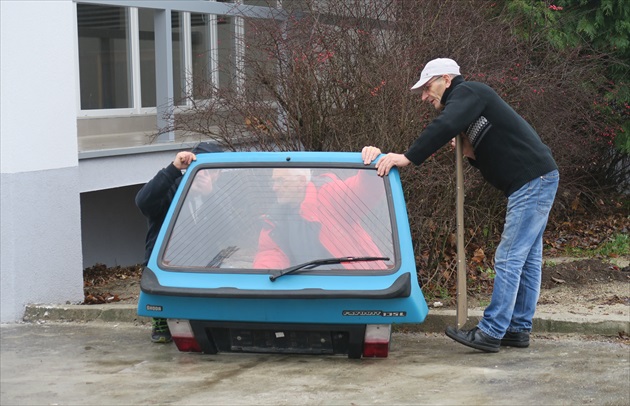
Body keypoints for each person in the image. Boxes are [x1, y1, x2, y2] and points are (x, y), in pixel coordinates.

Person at [362, 58, 559, 353]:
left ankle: (491, 332)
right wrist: (470, 152)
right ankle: (518, 329)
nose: (425, 97)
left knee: (508, 257)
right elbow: (494, 154)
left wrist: (409, 157)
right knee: (527, 259)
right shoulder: (472, 110)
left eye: (428, 88)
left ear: (447, 79)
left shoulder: (470, 92)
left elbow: (445, 124)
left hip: (533, 180)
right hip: (534, 179)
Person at [135, 141, 222, 343]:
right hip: (166, 258)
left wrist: (210, 196)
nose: (204, 178)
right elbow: (143, 202)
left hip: (203, 261)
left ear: (218, 175)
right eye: (201, 171)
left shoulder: (219, 195)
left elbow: (231, 228)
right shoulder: (172, 189)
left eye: (211, 173)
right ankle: (160, 318)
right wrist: (172, 169)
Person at [253, 167, 388, 270]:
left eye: (281, 181)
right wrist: (262, 280)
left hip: (363, 282)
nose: (274, 188)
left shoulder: (329, 194)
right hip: (311, 287)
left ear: (301, 181)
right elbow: (271, 253)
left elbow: (361, 190)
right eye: (274, 181)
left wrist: (371, 169)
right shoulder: (275, 219)